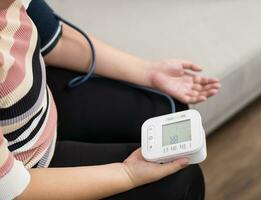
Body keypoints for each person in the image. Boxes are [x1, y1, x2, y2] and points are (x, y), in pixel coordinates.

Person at [0, 0, 221, 199]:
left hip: (38, 108)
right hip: (27, 173)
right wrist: (127, 174)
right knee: (181, 182)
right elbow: (16, 189)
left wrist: (149, 73)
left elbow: (54, 38)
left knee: (166, 107)